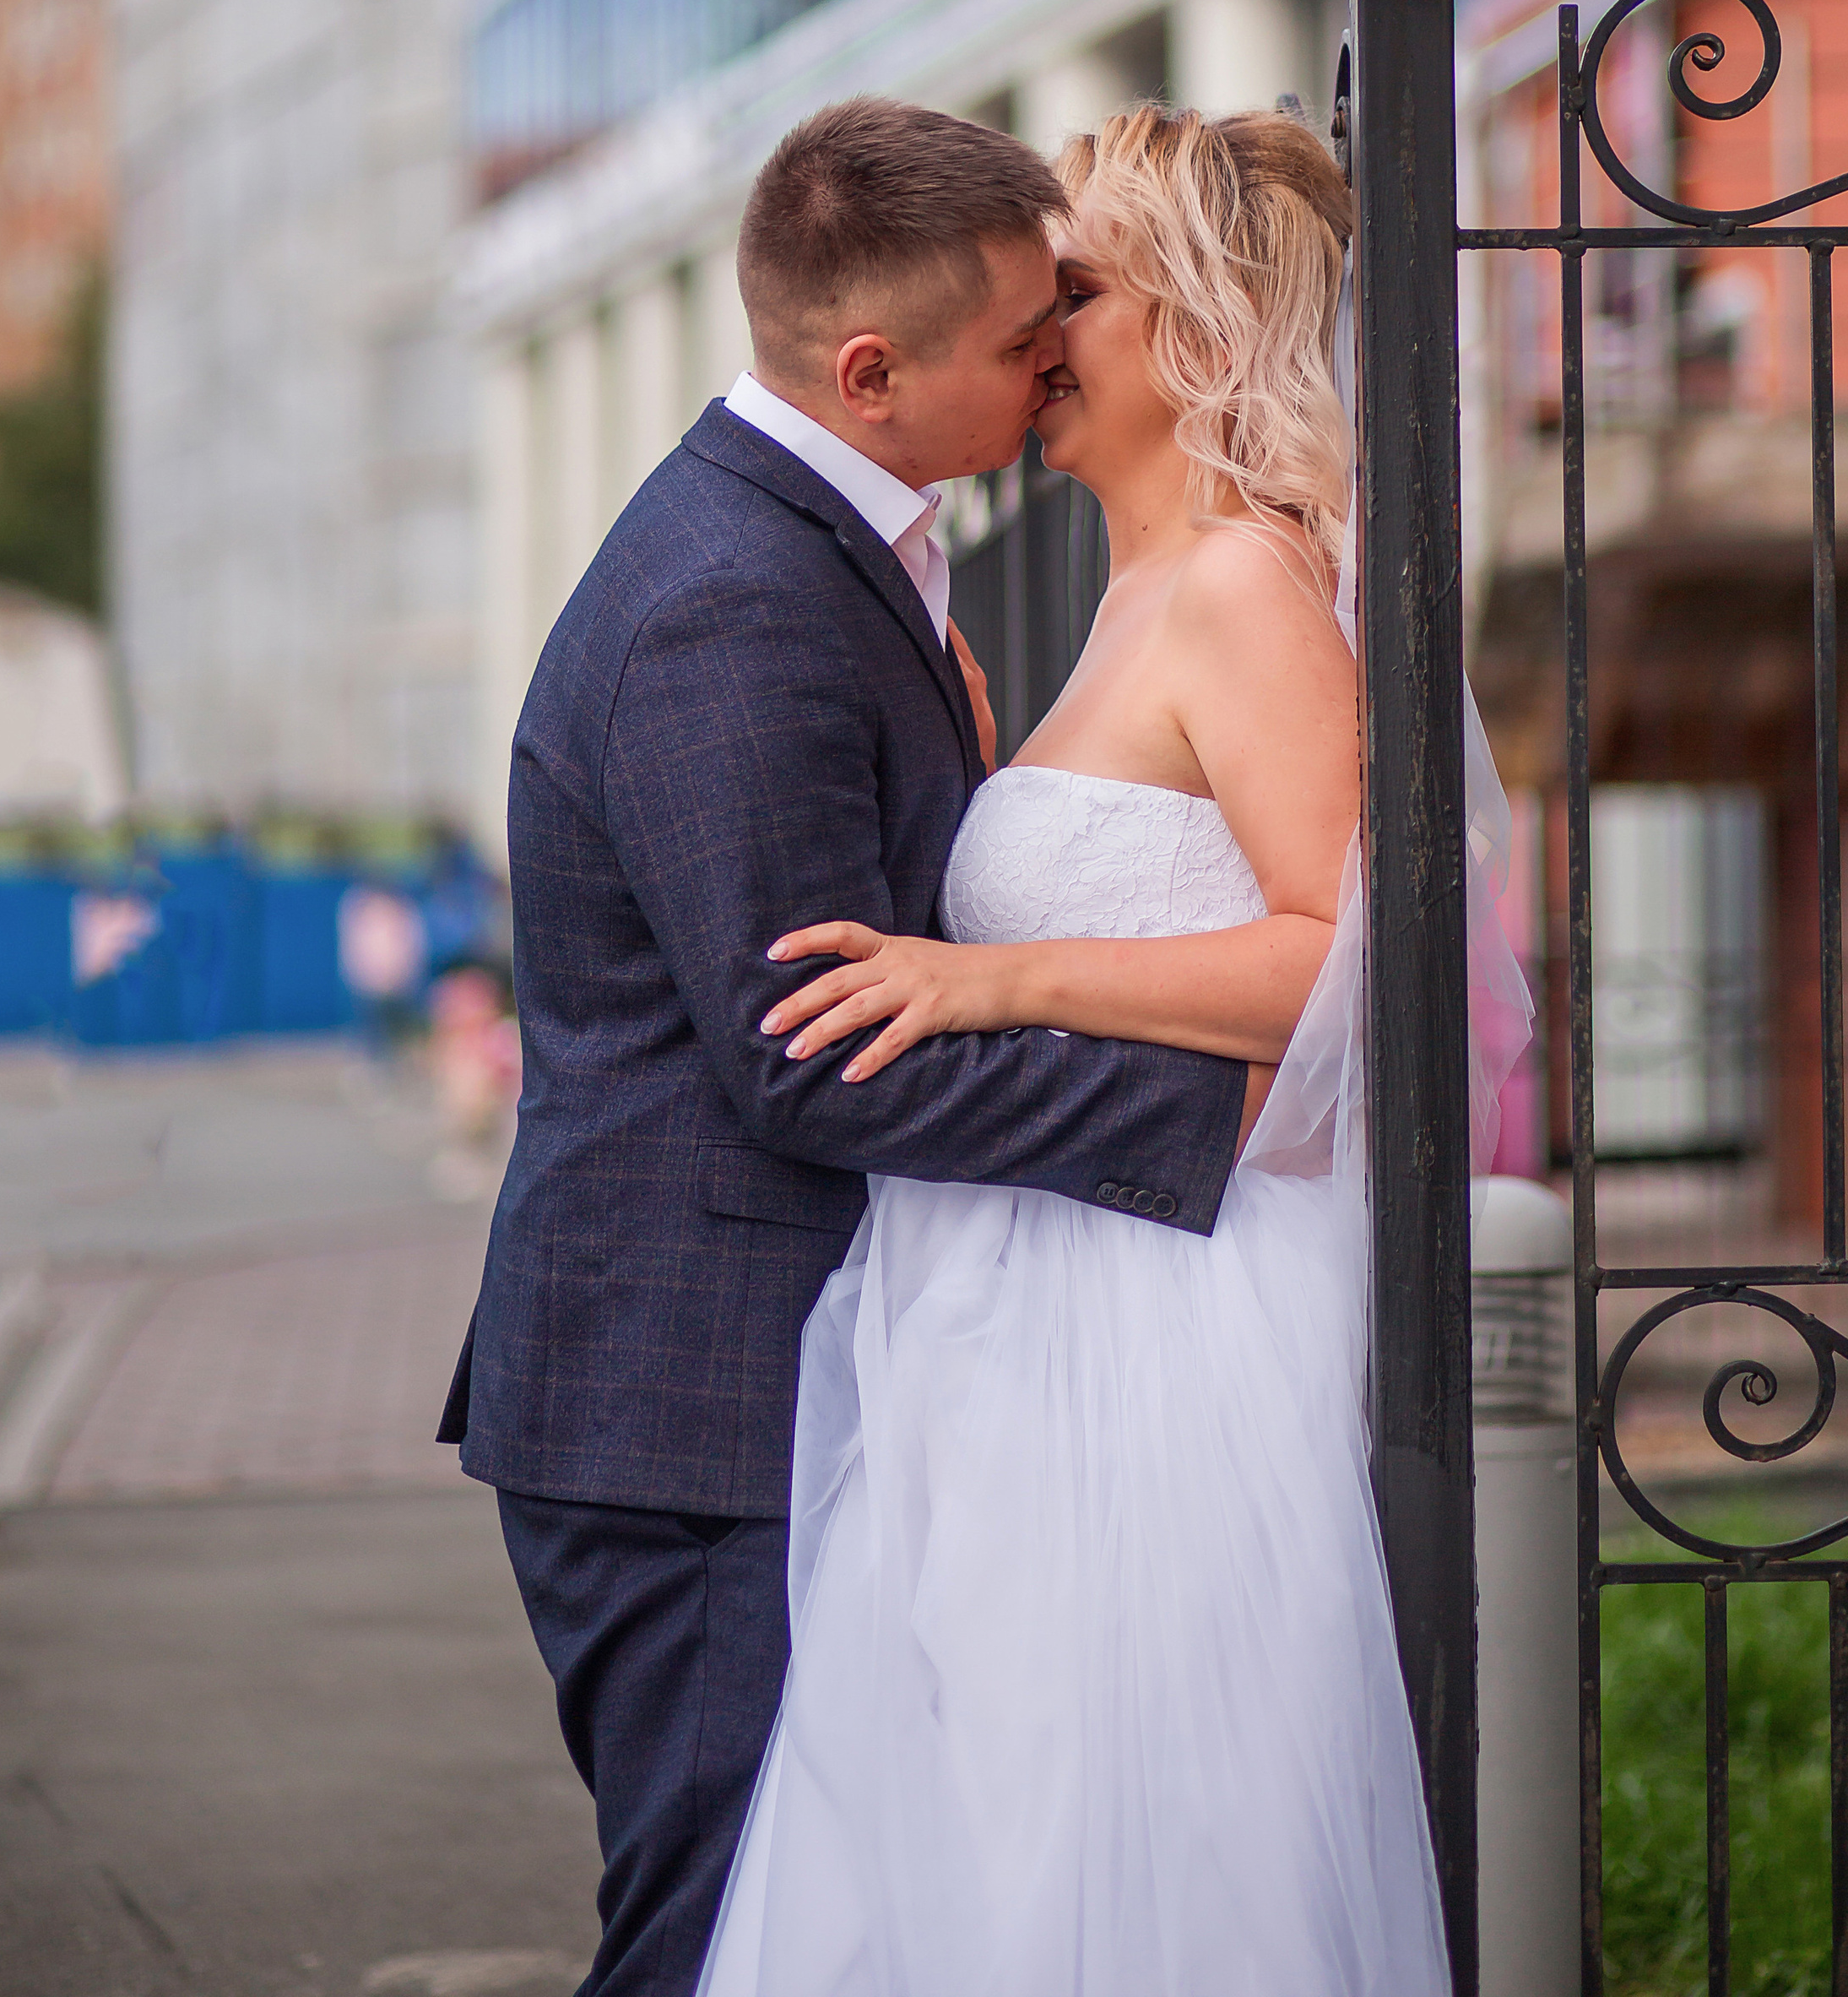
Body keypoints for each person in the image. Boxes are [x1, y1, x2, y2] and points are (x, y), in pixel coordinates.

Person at [438, 98, 1253, 1994]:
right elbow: (814, 1054)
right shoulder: (735, 602)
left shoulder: (833, 545)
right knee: (728, 1934)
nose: (1059, 348)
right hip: (692, 1408)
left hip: (757, 1370)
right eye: (1020, 333)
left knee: (838, 1920)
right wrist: (1229, 1109)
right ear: (870, 370)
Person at [696, 102, 1458, 1997]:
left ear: (1192, 327)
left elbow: (1344, 971)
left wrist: (1000, 981)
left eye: (1077, 299)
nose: (1040, 343)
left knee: (1126, 1838)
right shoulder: (1120, 596)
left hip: (1161, 1323)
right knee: (981, 1838)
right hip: (1018, 1303)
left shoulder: (1243, 590)